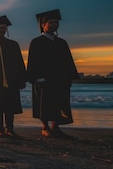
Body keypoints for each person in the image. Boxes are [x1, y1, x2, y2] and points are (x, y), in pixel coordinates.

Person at [27, 9, 79, 139]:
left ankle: (55, 127)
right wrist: (36, 78)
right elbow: (33, 61)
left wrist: (69, 77)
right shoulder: (37, 42)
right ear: (43, 25)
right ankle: (45, 127)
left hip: (60, 79)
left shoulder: (61, 42)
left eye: (56, 22)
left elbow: (68, 61)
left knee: (60, 103)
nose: (54, 25)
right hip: (43, 80)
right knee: (44, 104)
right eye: (51, 22)